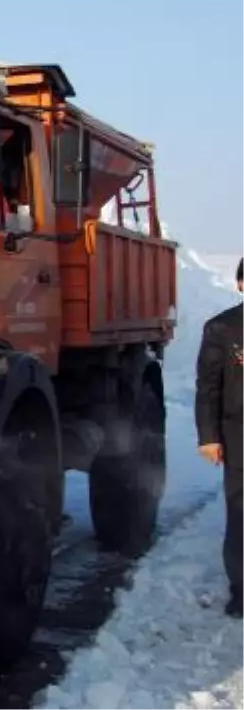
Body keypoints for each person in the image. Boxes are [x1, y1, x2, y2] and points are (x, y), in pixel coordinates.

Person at [195, 255, 244, 618]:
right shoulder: (222, 329)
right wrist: (209, 436)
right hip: (238, 433)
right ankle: (241, 590)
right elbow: (208, 387)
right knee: (240, 514)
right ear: (240, 284)